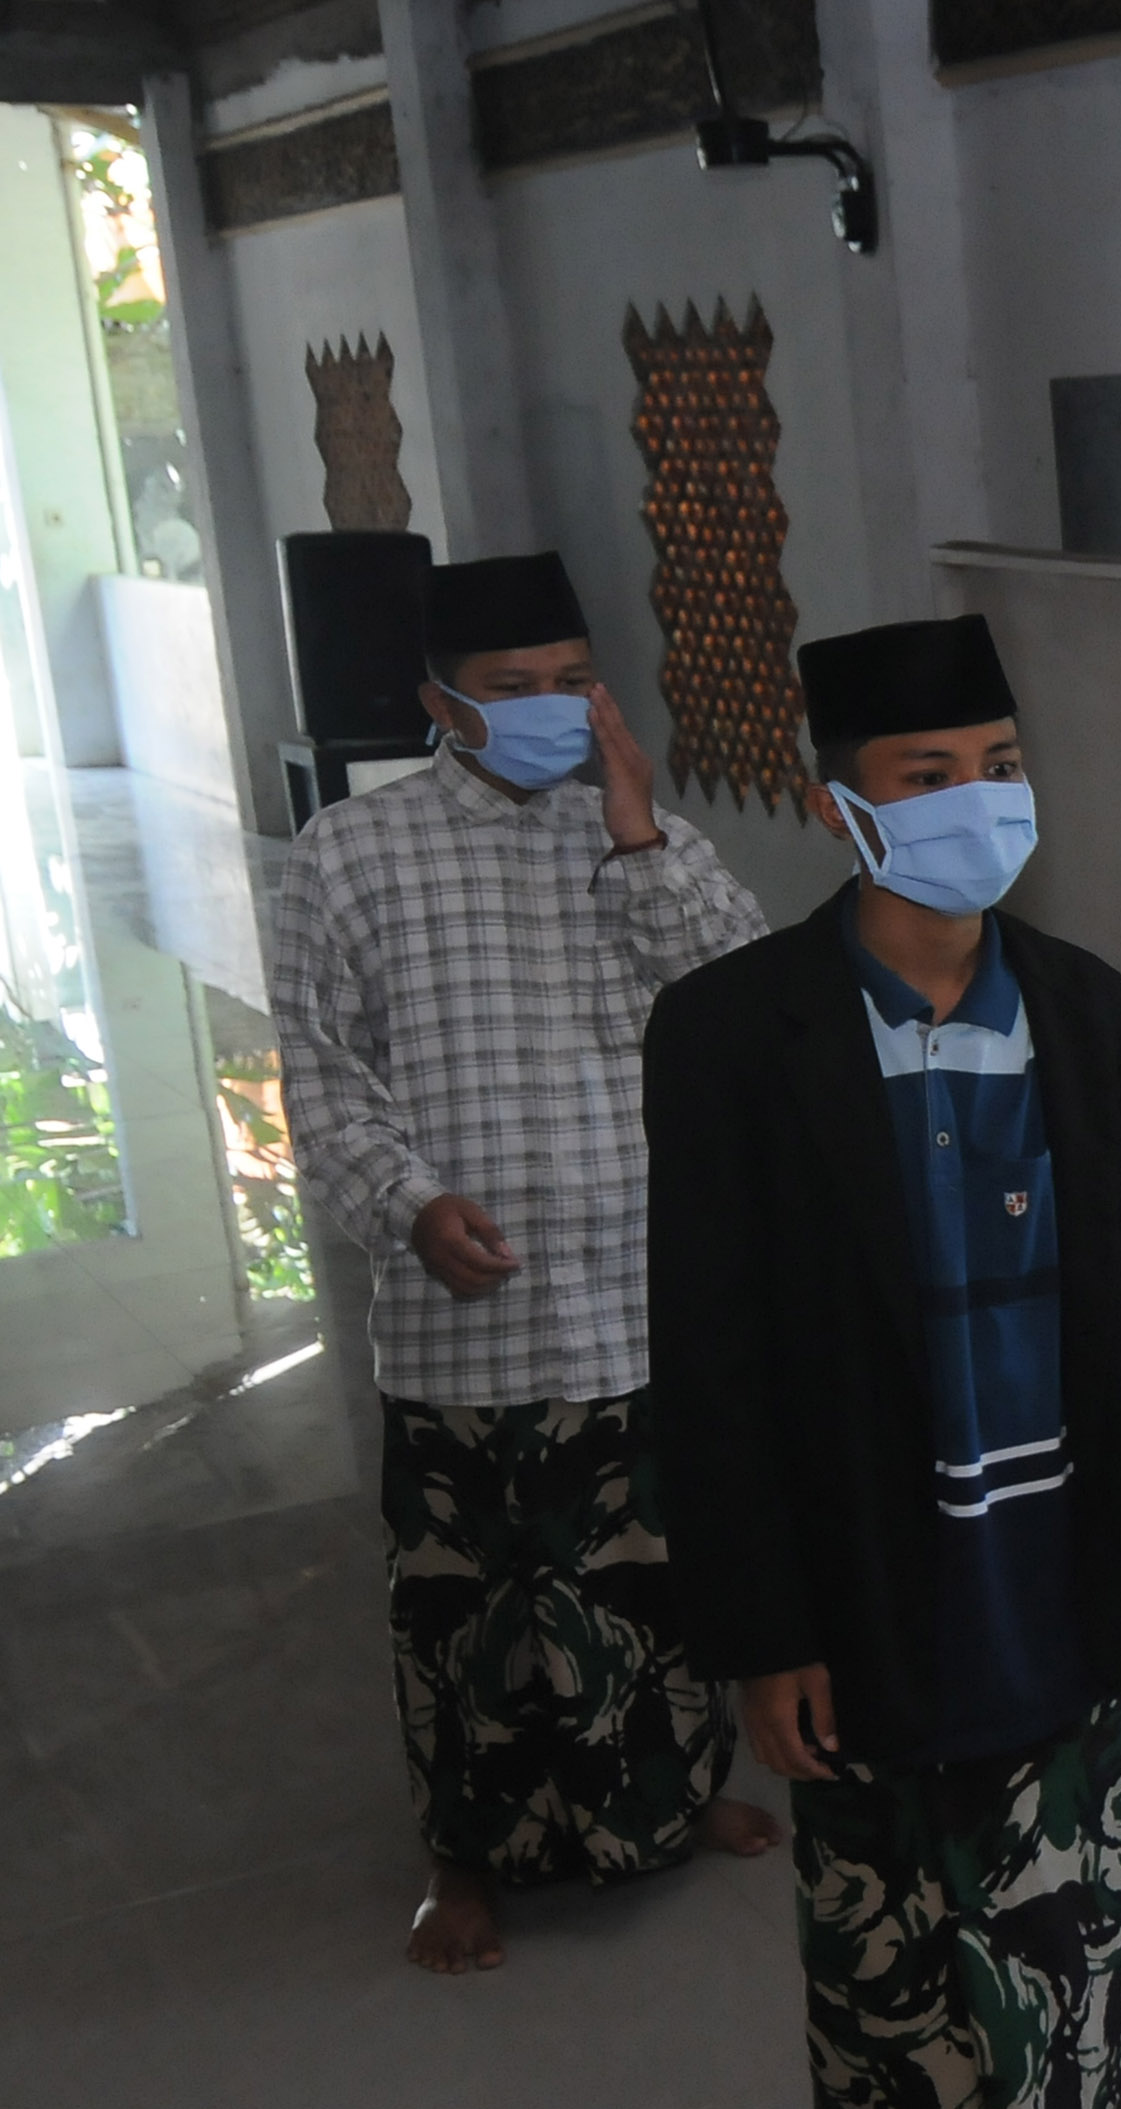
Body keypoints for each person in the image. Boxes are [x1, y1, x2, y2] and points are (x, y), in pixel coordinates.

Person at [640, 615, 1121, 2109]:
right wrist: (763, 1626)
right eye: (929, 775)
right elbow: (710, 1350)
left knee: (1071, 1912)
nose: (980, 802)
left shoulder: (1090, 1015)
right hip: (876, 1569)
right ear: (842, 808)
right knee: (890, 1939)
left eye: (1000, 767)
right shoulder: (734, 1033)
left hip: (1053, 1553)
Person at [267, 548, 775, 1975]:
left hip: (638, 1293)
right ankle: (466, 1855)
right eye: (516, 687)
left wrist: (637, 836)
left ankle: (676, 1797)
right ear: (443, 703)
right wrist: (410, 1203)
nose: (556, 707)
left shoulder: (642, 837)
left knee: (660, 1576)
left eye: (573, 681)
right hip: (463, 1311)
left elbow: (742, 1008)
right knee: (467, 1600)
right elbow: (322, 1071)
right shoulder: (349, 855)